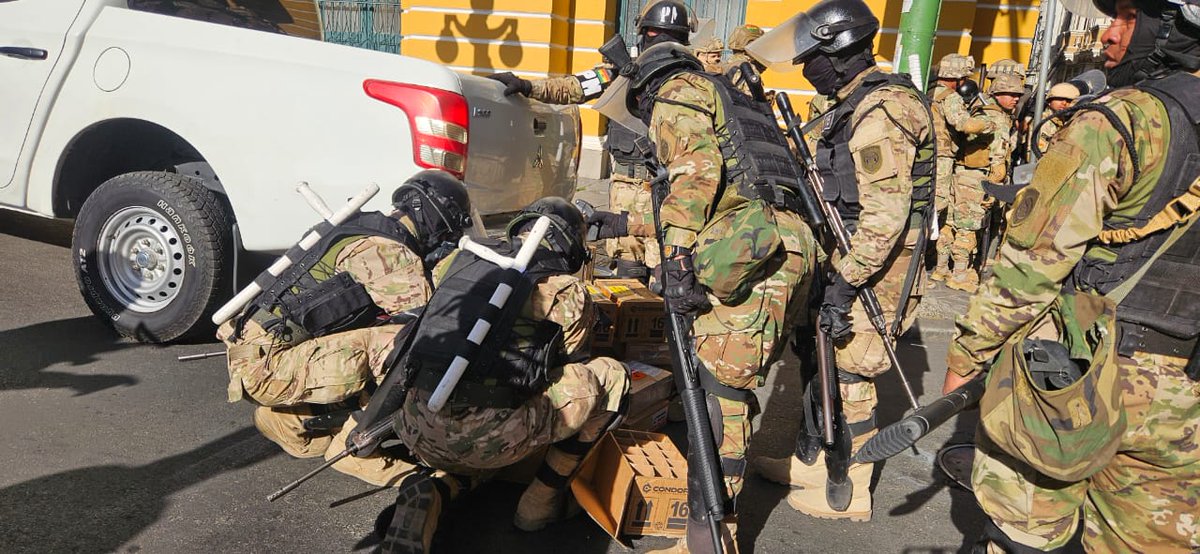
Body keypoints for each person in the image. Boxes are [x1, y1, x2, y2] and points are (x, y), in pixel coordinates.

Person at [943, 0, 1200, 549]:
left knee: (1024, 535)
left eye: (1129, 16)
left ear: (1175, 22)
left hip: (1085, 376)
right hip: (1186, 407)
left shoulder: (1126, 119)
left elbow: (1030, 264)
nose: (1110, 33)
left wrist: (968, 360)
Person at [589, 7, 819, 548]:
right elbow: (726, 193)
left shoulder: (676, 90)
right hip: (776, 240)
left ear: (645, 52)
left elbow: (694, 180)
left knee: (718, 389)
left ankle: (711, 531)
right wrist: (624, 221)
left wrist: (674, 259)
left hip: (755, 249)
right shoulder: (722, 91)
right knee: (727, 379)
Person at [746, 0, 934, 522]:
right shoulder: (854, 102)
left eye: (813, 58)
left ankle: (848, 488)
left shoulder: (883, 109)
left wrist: (848, 283)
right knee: (820, 357)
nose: (808, 69)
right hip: (849, 253)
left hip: (878, 266)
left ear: (842, 51)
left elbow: (885, 216)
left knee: (852, 370)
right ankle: (812, 459)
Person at [377, 197, 631, 553]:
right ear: (570, 243)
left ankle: (436, 490)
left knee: (476, 427)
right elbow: (570, 363)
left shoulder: (458, 260)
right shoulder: (564, 290)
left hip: (417, 425)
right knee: (609, 376)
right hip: (489, 434)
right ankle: (538, 504)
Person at [217, 170, 473, 485]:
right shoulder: (390, 251)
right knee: (411, 345)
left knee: (377, 336)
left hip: (253, 352)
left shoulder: (354, 226)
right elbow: (424, 325)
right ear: (435, 222)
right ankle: (359, 448)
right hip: (271, 365)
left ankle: (290, 418)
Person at [486, 1, 695, 281]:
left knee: (666, 275)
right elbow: (574, 87)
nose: (662, 41)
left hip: (666, 188)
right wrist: (527, 86)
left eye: (670, 35)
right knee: (628, 274)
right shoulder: (622, 72)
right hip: (626, 187)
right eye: (657, 33)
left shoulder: (694, 81)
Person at [942, 73, 1022, 293]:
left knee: (952, 222)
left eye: (1018, 95)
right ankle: (958, 274)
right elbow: (999, 157)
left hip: (964, 174)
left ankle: (942, 269)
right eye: (1010, 94)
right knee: (968, 226)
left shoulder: (988, 112)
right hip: (979, 177)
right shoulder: (995, 117)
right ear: (996, 93)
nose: (1015, 98)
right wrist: (994, 184)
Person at [929, 53, 998, 283]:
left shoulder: (929, 93)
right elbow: (964, 124)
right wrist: (988, 124)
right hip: (943, 157)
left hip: (926, 155)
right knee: (937, 209)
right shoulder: (950, 97)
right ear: (957, 79)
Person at [1035, 81, 1081, 153]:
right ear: (1050, 101)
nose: (1064, 103)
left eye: (1069, 100)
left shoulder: (1061, 119)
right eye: (1059, 99)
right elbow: (1039, 152)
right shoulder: (1043, 121)